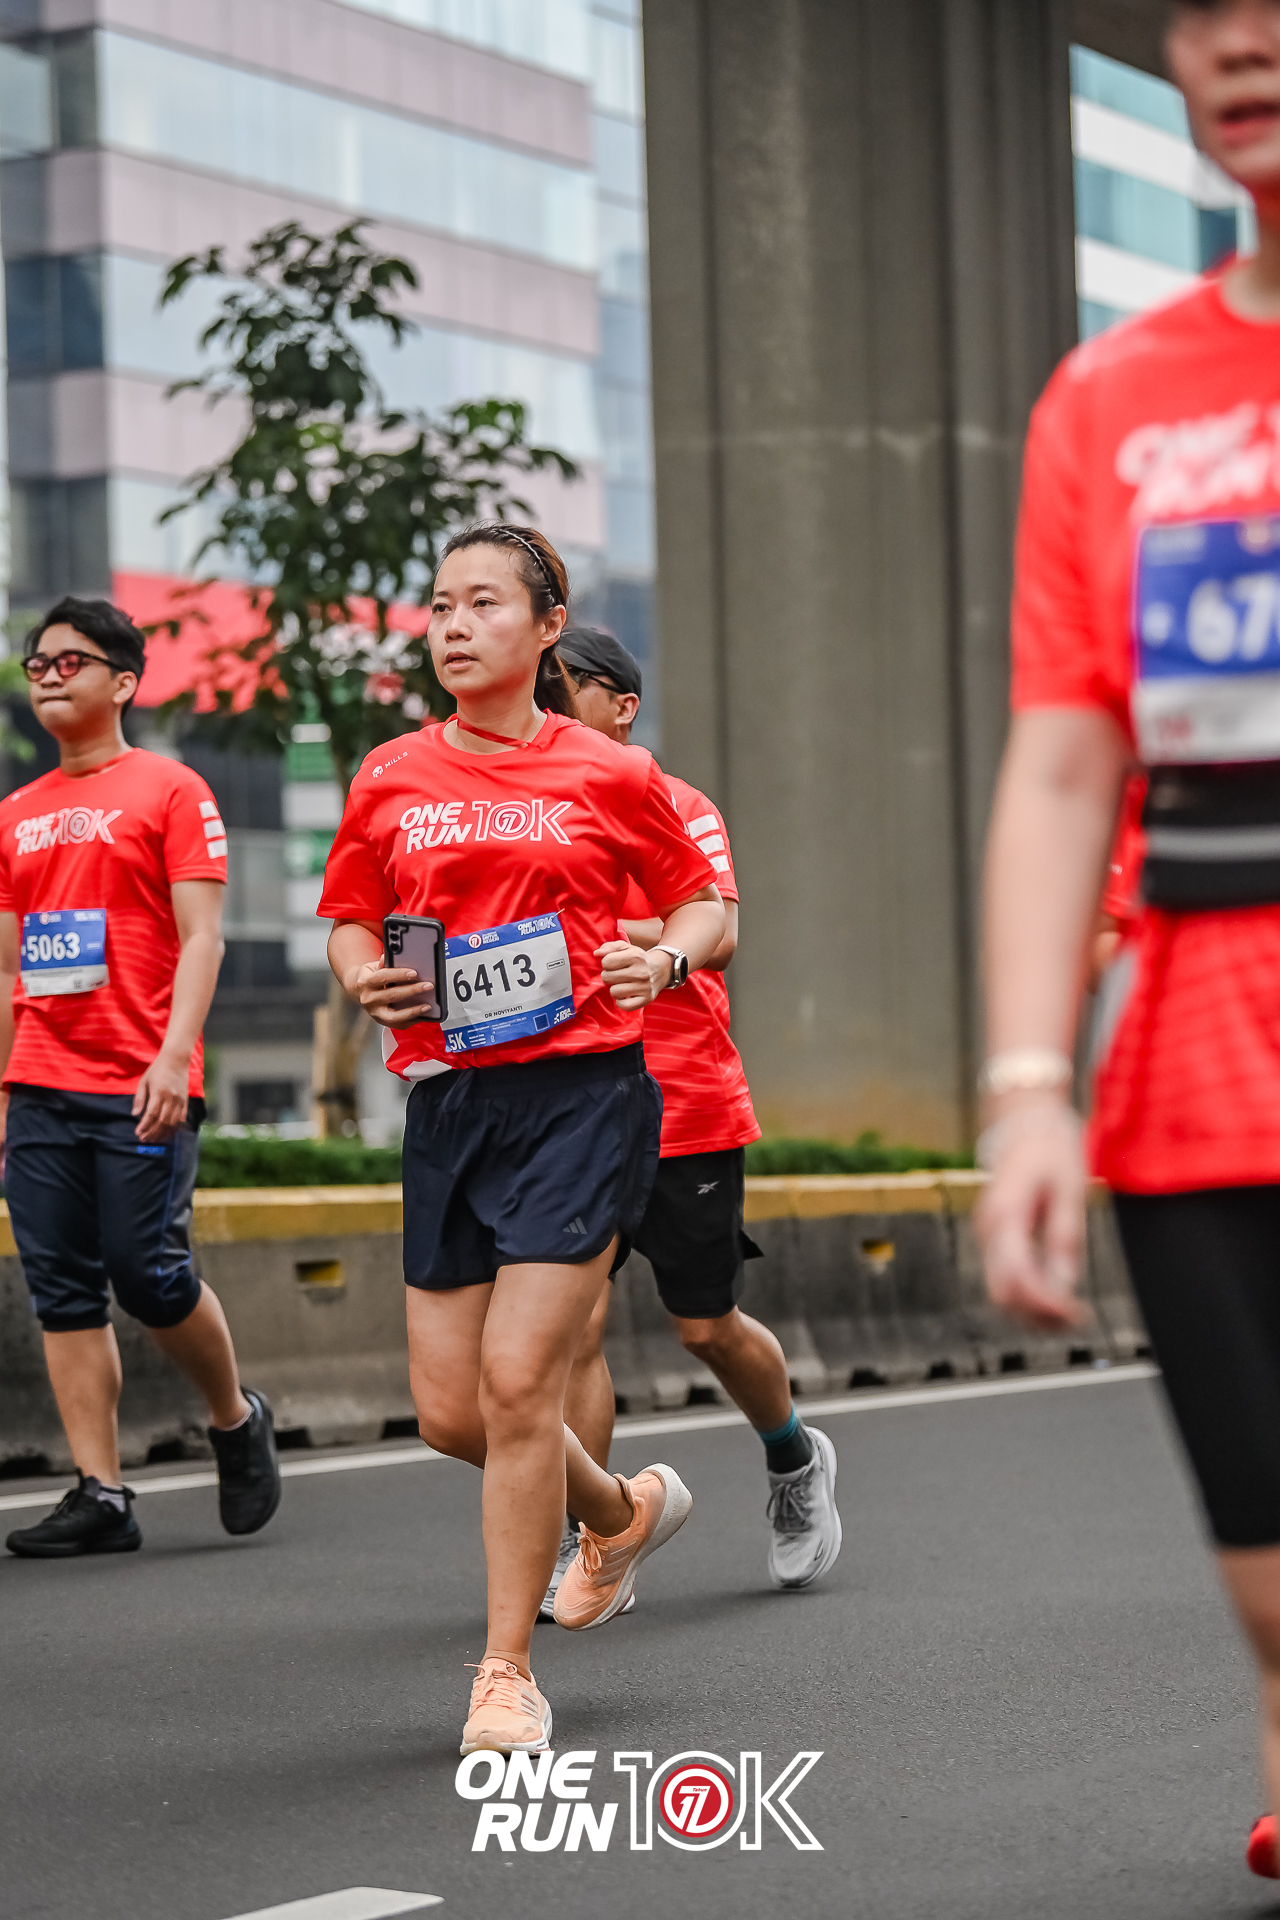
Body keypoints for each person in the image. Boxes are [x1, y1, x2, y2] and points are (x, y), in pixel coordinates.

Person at [976, 0, 1280, 1880]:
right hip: (1203, 1071)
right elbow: (1065, 762)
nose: (1240, 37)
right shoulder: (1112, 400)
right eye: (1205, 7)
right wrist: (1028, 1091)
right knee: (1269, 1591)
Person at [318, 524, 726, 1756]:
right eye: (439, 603)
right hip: (451, 1105)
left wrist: (664, 961)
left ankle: (503, 1673)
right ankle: (617, 1511)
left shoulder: (608, 771)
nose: (452, 625)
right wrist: (361, 977)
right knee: (450, 1414)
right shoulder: (389, 773)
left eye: (483, 603)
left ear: (547, 628)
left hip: (581, 1099)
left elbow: (704, 906)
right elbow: (350, 916)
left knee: (514, 1385)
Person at [542, 626, 841, 1613]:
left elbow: (716, 930)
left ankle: (793, 1458)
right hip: (573, 1105)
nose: (546, 706)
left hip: (684, 1103)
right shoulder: (531, 815)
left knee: (705, 1324)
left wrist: (614, 933)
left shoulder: (677, 804)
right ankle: (596, 1537)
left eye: (563, 688)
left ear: (621, 706)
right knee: (572, 1329)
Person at [2, 598, 281, 1559]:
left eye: (69, 661)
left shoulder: (172, 789)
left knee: (150, 1276)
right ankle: (102, 1493)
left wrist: (173, 1055)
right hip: (40, 1082)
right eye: (37, 663)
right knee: (62, 1290)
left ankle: (235, 1415)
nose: (48, 676)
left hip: (141, 1079)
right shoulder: (15, 814)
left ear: (123, 682)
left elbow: (203, 936)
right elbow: (9, 967)